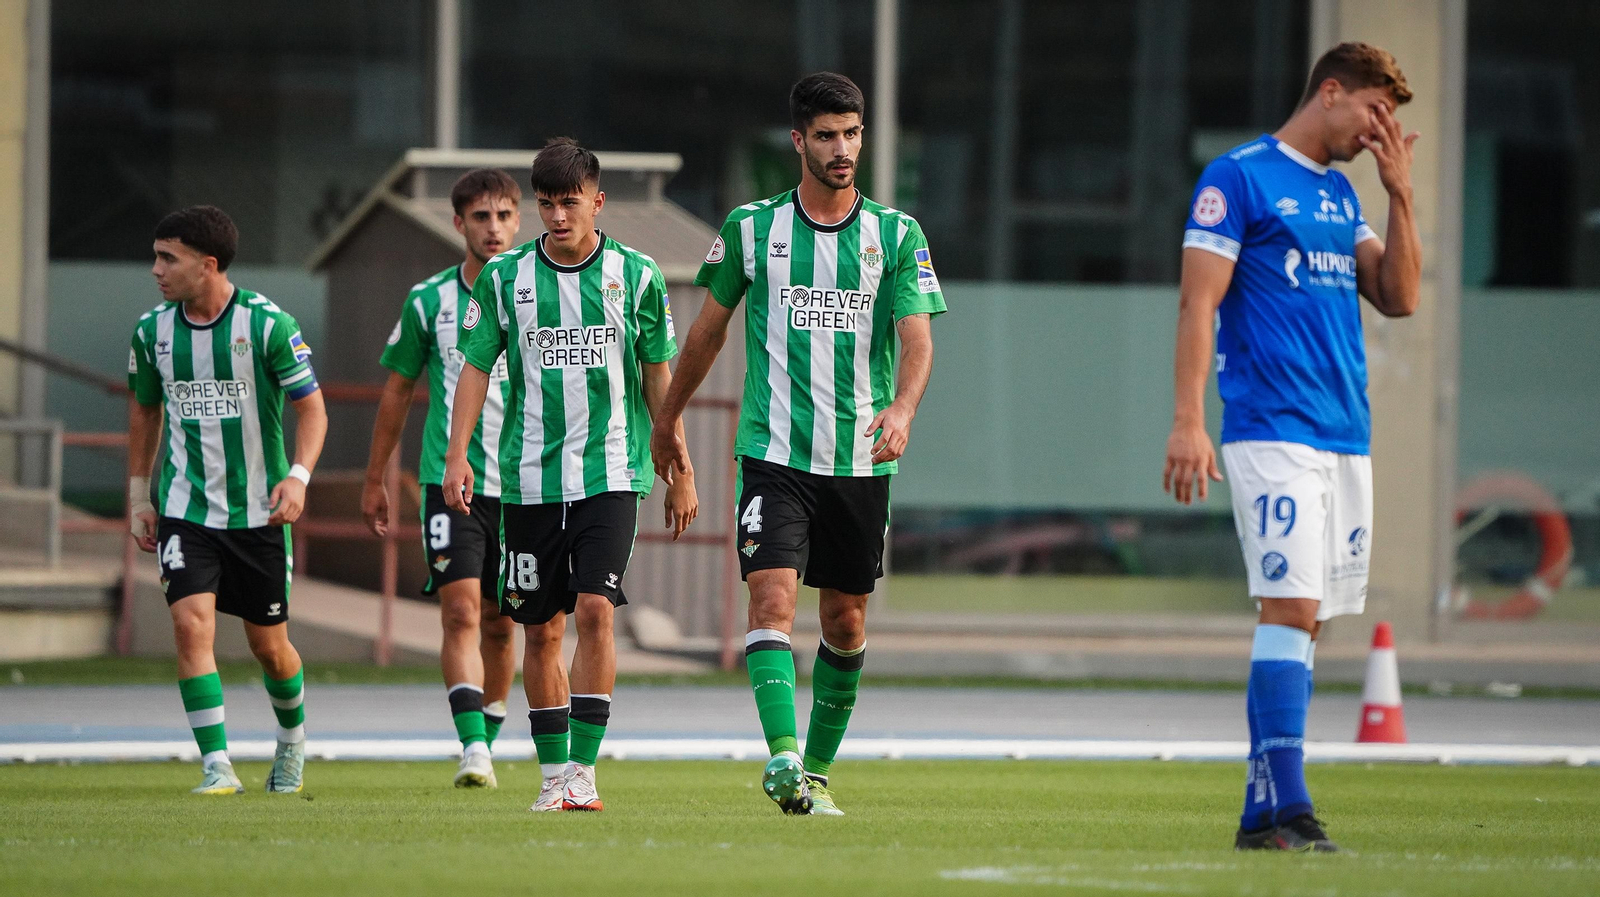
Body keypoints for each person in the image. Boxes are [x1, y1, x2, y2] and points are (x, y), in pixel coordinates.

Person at [650, 72, 945, 816]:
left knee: (845, 620)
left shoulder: (898, 235)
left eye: (851, 134)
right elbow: (706, 334)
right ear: (798, 142)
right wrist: (667, 419)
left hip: (859, 460)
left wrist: (904, 408)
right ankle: (782, 758)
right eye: (826, 135)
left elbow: (917, 340)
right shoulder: (753, 229)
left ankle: (813, 772)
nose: (842, 149)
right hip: (774, 455)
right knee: (772, 599)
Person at [1163, 42, 1421, 852]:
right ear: (1331, 91)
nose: (1380, 129)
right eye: (1375, 110)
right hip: (1272, 427)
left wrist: (1401, 195)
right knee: (1290, 606)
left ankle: (1261, 814)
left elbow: (1402, 297)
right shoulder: (1237, 178)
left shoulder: (1345, 197)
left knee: (1308, 623)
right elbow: (1197, 305)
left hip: (1346, 433)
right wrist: (1187, 418)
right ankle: (1292, 810)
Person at [443, 138, 698, 813]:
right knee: (540, 629)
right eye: (548, 204)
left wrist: (680, 467)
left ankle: (583, 770)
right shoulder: (505, 280)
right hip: (527, 477)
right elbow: (474, 365)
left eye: (570, 202)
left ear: (598, 201)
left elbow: (657, 379)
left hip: (612, 472)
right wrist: (457, 452)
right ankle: (552, 774)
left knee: (593, 608)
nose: (558, 216)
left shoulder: (637, 276)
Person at [127, 205, 329, 794]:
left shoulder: (267, 325)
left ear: (207, 265)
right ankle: (217, 766)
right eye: (156, 256)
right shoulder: (152, 331)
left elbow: (311, 408)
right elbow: (145, 410)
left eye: (169, 258)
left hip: (258, 514)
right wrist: (142, 497)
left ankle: (292, 742)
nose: (156, 270)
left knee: (269, 647)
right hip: (186, 511)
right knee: (191, 627)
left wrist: (298, 476)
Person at [361, 169, 522, 788]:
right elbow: (398, 390)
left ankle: (490, 734)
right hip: (448, 481)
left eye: (505, 215)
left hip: (527, 482)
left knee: (504, 621)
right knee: (459, 611)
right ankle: (473, 748)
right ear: (459, 224)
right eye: (481, 217)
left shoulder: (541, 293)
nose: (494, 228)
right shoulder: (428, 301)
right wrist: (376, 476)